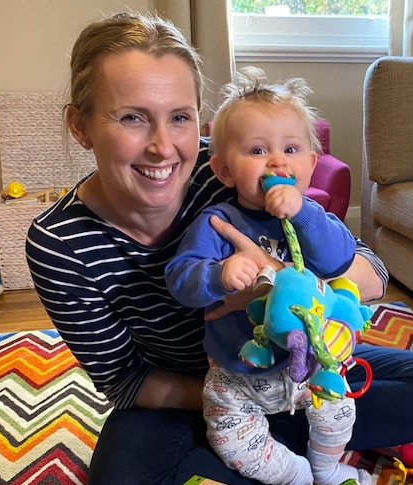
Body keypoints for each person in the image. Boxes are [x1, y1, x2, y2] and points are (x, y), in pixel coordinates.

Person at [25, 11, 413, 485]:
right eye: (132, 118)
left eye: (179, 118)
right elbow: (127, 381)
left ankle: (267, 455)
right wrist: (239, 399)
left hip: (302, 367)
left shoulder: (229, 165)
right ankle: (283, 453)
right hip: (201, 392)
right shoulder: (59, 244)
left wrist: (286, 279)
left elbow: (370, 275)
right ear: (80, 127)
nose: (163, 148)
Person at [165, 67, 369, 485]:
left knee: (341, 410)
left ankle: (327, 468)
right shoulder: (219, 221)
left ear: (312, 164)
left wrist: (304, 211)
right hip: (238, 375)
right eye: (258, 151)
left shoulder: (316, 218)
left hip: (312, 364)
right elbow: (180, 278)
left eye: (291, 149)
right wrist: (219, 275)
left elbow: (339, 260)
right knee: (229, 439)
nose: (277, 160)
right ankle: (296, 475)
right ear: (223, 170)